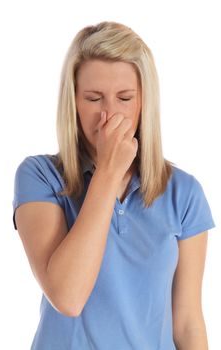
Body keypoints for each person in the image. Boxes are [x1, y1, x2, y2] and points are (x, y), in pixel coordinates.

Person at [12, 21, 215, 350]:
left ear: (142, 103)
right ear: (73, 103)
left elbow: (188, 323)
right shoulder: (39, 176)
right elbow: (68, 296)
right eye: (93, 99)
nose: (109, 115)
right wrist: (107, 171)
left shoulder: (185, 193)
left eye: (124, 98)